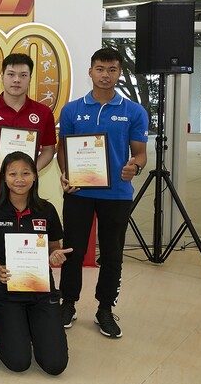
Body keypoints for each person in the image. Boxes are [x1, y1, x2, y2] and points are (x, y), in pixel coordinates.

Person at [58, 47, 148, 339]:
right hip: (79, 192)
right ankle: (68, 304)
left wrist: (134, 167)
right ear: (90, 71)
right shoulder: (72, 109)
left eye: (111, 70)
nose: (105, 75)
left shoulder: (134, 111)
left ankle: (105, 309)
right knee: (73, 250)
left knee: (112, 254)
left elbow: (141, 154)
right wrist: (66, 175)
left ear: (119, 72)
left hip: (118, 194)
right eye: (100, 69)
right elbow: (63, 149)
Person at [0, 152, 71, 375]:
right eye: (13, 173)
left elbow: (54, 245)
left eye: (25, 173)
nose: (19, 179)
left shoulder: (46, 210)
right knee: (18, 362)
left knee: (55, 365)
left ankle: (34, 326)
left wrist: (54, 255)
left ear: (35, 175)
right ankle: (0, 322)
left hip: (41, 291)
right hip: (6, 291)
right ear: (4, 177)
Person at [0, 53, 56, 211]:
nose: (17, 80)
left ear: (30, 78)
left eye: (23, 75)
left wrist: (30, 170)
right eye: (11, 74)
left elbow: (48, 150)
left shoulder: (43, 112)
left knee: (25, 236)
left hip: (27, 193)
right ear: (2, 77)